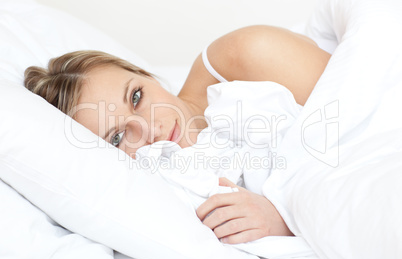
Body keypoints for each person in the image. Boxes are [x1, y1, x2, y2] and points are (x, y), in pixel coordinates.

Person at [24, 25, 331, 245]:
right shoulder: (173, 192)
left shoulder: (246, 54)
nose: (149, 128)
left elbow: (366, 127)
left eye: (136, 97)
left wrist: (288, 219)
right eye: (117, 138)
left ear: (145, 75)